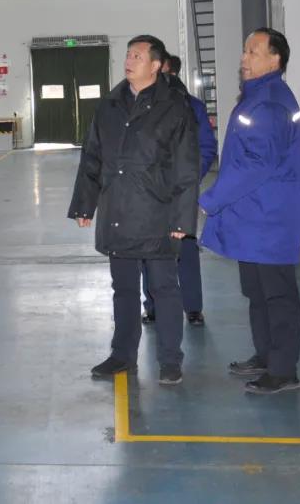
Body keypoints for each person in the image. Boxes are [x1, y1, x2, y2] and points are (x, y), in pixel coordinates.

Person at [69, 36, 200, 386]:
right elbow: (92, 156)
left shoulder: (174, 108)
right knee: (124, 289)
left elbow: (186, 166)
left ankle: (170, 360)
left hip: (158, 214)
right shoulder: (110, 106)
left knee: (164, 288)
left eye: (137, 56)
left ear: (155, 65)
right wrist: (85, 203)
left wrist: (182, 219)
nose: (129, 61)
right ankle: (122, 355)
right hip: (118, 211)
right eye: (128, 55)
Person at [198, 28, 300, 395]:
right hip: (254, 218)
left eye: (253, 52)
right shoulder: (257, 96)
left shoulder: (270, 103)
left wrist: (211, 199)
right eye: (245, 51)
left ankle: (283, 370)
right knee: (257, 293)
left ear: (275, 60)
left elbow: (256, 164)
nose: (244, 59)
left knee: (278, 296)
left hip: (269, 219)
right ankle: (266, 355)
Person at [141, 55, 218, 327]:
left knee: (186, 249)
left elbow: (207, 147)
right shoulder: (144, 106)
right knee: (149, 249)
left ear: (170, 71)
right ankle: (152, 305)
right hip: (151, 193)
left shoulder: (193, 106)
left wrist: (190, 179)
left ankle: (193, 307)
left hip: (182, 192)